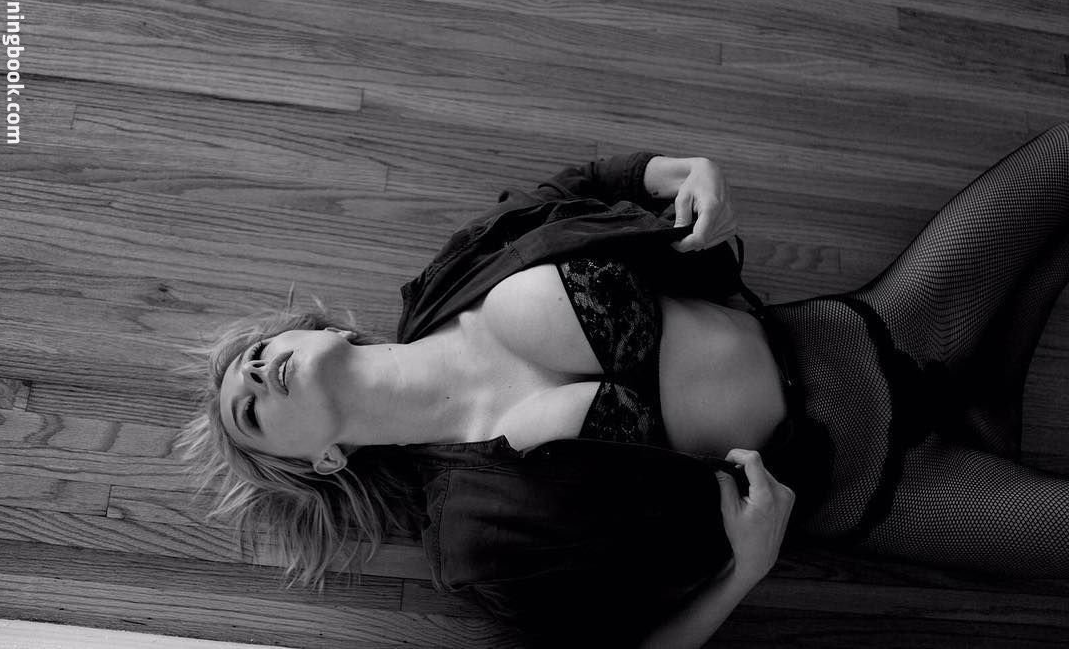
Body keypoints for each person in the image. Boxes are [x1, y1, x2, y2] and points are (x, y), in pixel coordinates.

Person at [176, 122, 1069, 648]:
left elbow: (576, 185)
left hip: (863, 329)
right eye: (249, 412)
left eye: (256, 353)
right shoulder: (471, 537)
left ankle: (989, 392)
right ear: (326, 459)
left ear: (323, 331)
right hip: (874, 486)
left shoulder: (454, 275)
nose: (253, 373)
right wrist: (747, 570)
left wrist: (677, 171)